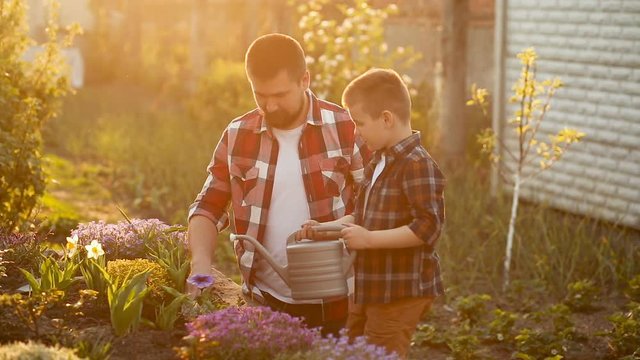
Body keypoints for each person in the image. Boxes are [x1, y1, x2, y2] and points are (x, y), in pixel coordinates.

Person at [186, 33, 369, 335]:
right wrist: (201, 262)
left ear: (305, 80)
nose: (269, 106)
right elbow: (207, 206)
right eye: (260, 95)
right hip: (265, 306)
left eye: (280, 95)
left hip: (341, 305)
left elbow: (379, 203)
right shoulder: (238, 134)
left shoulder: (346, 127)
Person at [298, 68, 446, 358]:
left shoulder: (416, 164)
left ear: (387, 119)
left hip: (400, 290)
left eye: (360, 123)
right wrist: (324, 227)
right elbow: (361, 216)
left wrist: (369, 240)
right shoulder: (378, 160)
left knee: (379, 350)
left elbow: (429, 227)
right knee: (352, 344)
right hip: (372, 285)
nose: (356, 132)